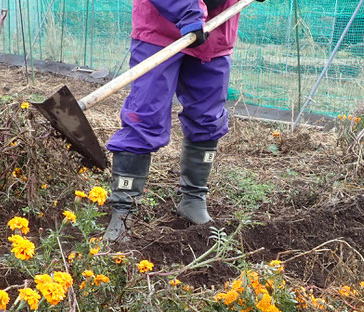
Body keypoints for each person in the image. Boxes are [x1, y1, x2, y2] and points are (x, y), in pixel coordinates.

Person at [104, 0, 262, 242]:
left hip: (216, 32)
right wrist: (189, 14)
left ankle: (193, 198)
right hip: (161, 30)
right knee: (144, 117)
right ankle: (123, 209)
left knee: (208, 118)